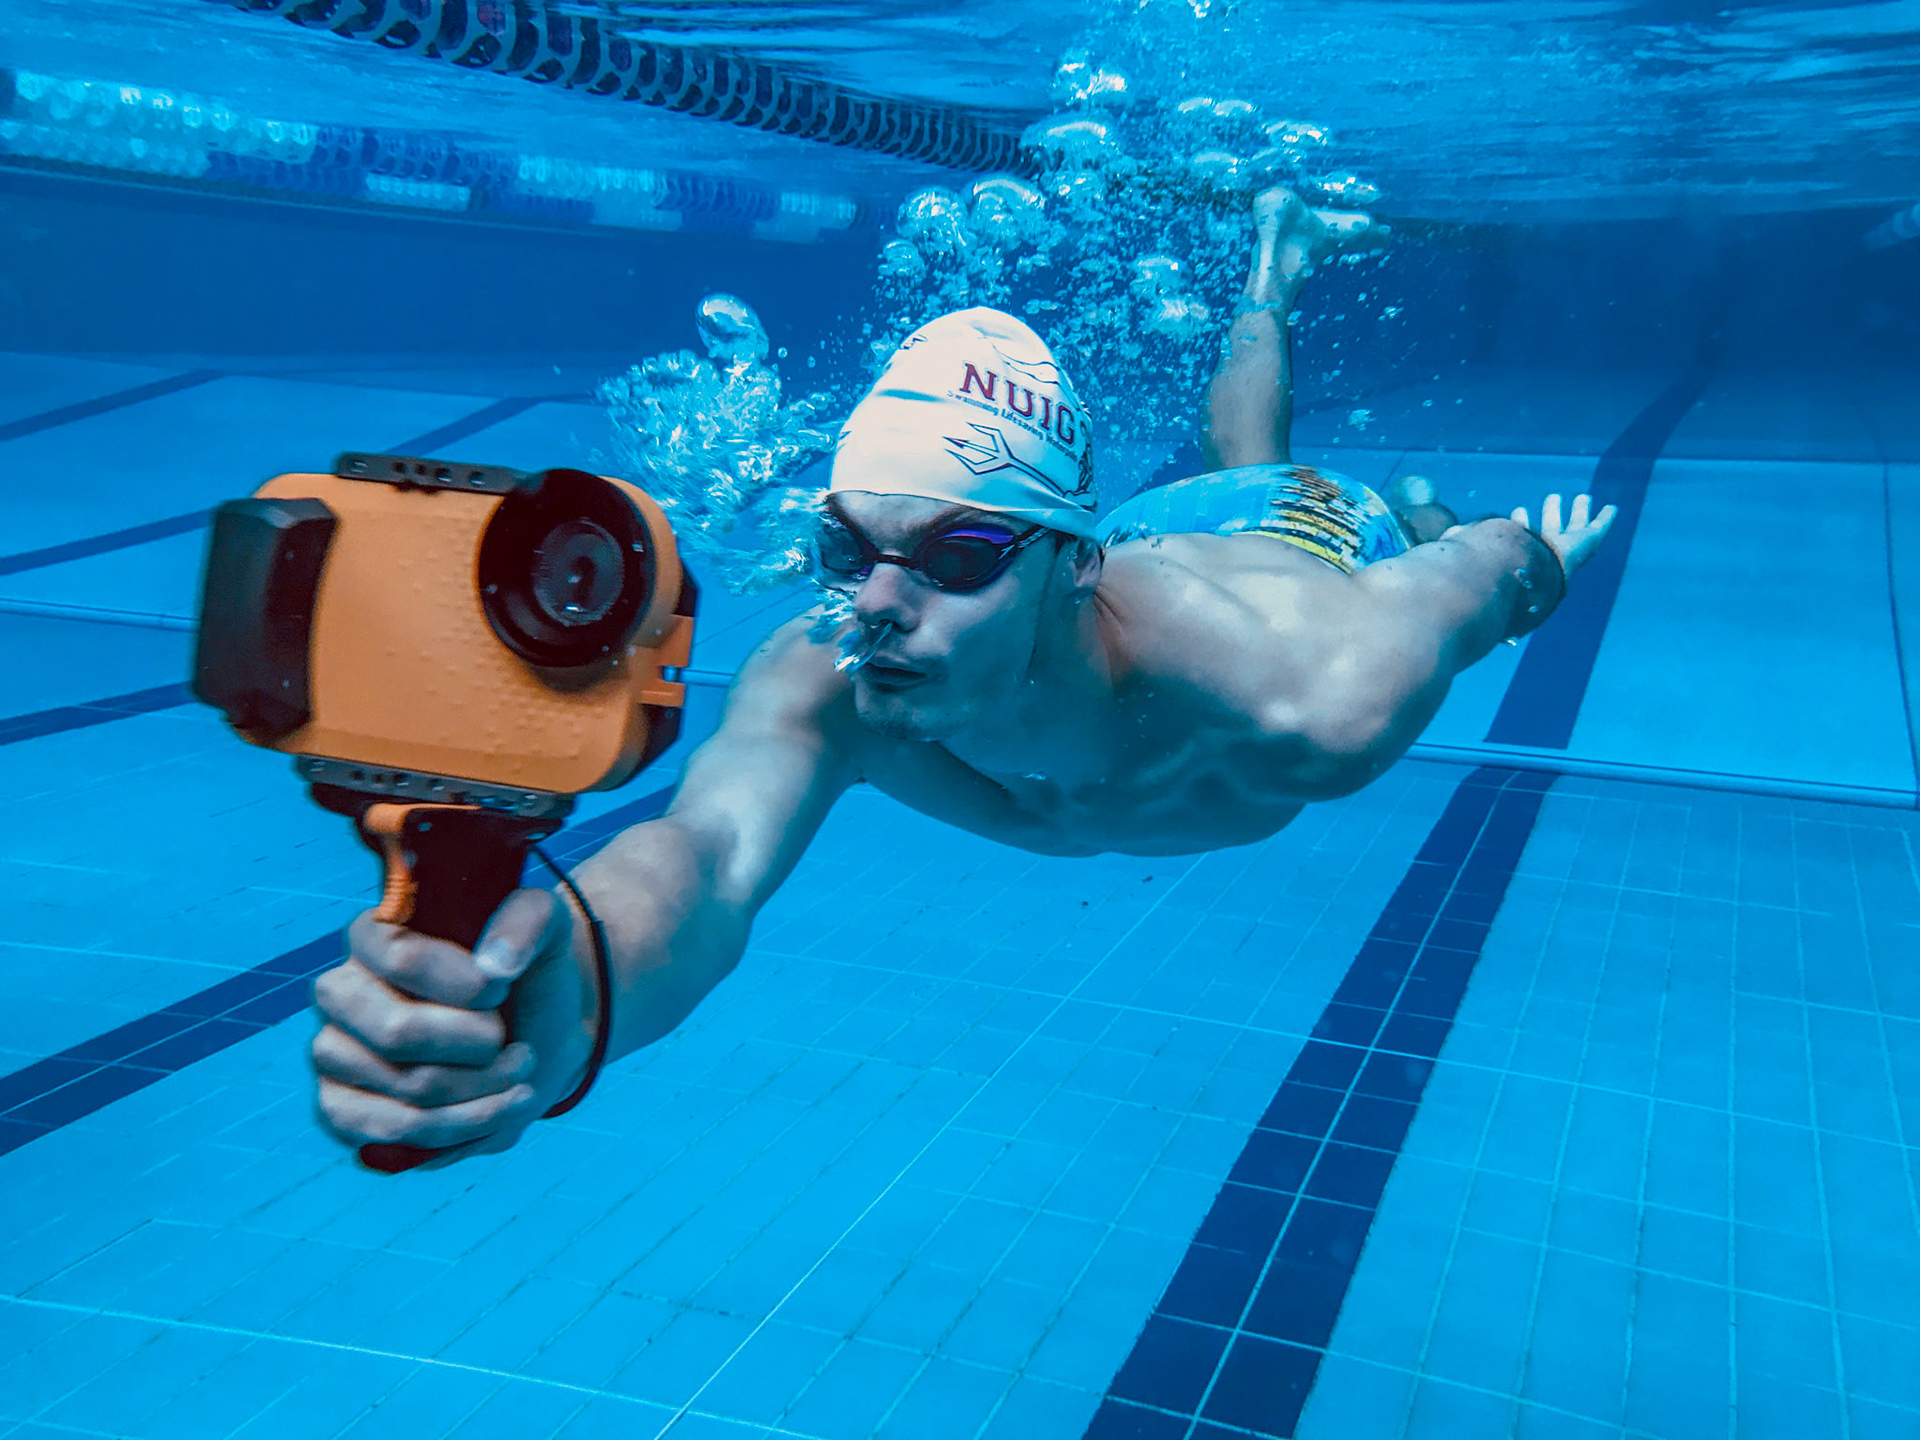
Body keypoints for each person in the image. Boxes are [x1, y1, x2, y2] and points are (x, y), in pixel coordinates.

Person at [309, 188, 1616, 1162]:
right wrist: (563, 998)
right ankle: (1267, 260)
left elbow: (1489, 579)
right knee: (1218, 442)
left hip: (1296, 535)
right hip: (1134, 541)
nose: (877, 606)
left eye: (958, 554)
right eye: (848, 547)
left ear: (1067, 567)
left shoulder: (1312, 688)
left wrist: (1528, 572)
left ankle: (1303, 320)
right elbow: (705, 855)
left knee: (1265, 457)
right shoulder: (836, 668)